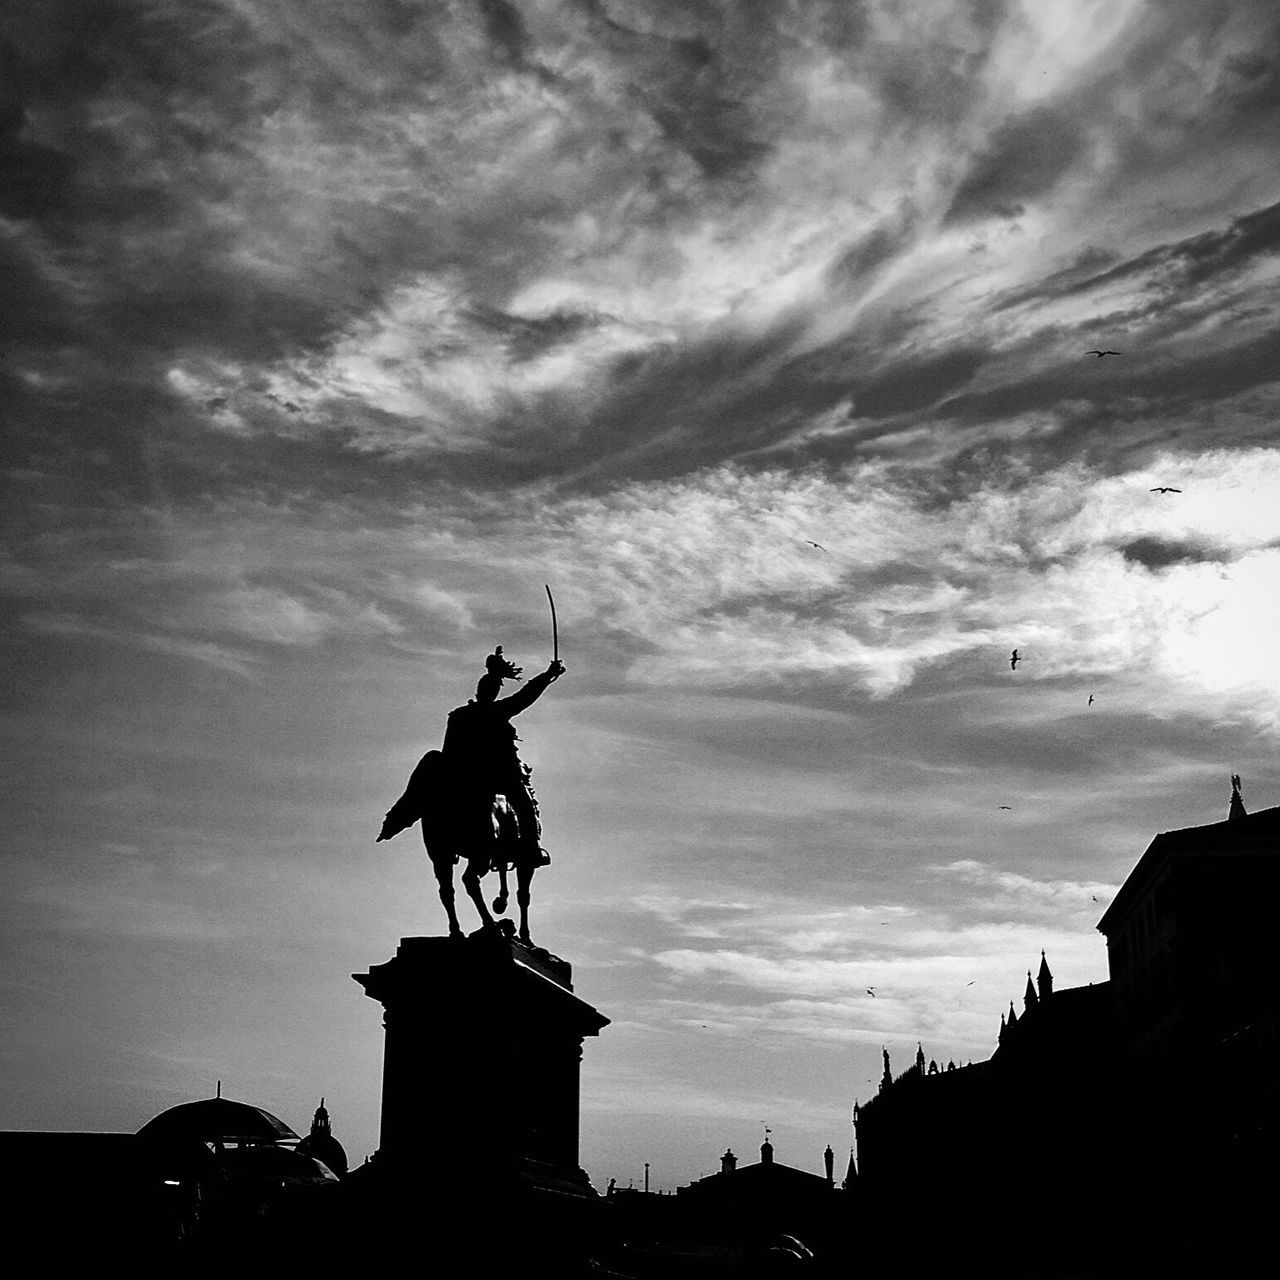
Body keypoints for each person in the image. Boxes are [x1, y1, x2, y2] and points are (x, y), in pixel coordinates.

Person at [441, 646, 564, 867]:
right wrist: (548, 675)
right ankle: (531, 849)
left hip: (464, 776)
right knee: (525, 806)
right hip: (500, 776)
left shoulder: (459, 715)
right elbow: (525, 696)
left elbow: (448, 749)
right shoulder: (497, 711)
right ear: (493, 692)